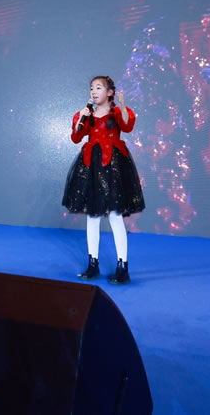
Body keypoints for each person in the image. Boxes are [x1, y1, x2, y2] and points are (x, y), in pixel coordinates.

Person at [62, 76, 145, 284]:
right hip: (91, 165)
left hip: (113, 166)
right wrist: (81, 119)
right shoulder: (86, 114)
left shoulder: (116, 112)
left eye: (98, 88)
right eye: (91, 88)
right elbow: (76, 138)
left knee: (115, 215)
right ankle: (93, 264)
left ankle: (122, 266)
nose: (93, 91)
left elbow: (127, 127)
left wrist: (123, 106)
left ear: (109, 92)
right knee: (93, 215)